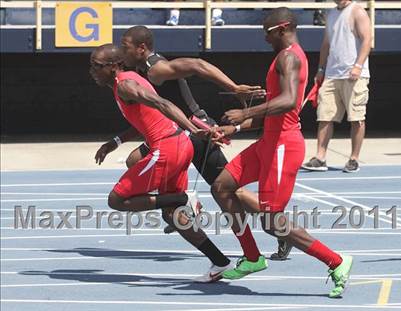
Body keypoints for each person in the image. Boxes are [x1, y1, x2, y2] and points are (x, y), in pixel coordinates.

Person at [113, 25, 293, 260]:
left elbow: (197, 65)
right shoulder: (141, 73)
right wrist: (116, 141)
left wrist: (233, 88)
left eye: (124, 47)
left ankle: (284, 230)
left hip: (195, 133)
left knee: (230, 189)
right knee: (134, 160)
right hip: (176, 134)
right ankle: (184, 202)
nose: (120, 51)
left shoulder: (156, 68)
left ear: (141, 48)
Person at [211, 7, 353, 298]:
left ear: (282, 28)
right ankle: (252, 258)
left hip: (283, 146)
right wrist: (235, 129)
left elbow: (288, 102)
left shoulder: (289, 56)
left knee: (272, 222)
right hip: (269, 142)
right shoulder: (284, 57)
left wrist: (245, 111)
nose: (265, 37)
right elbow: (274, 112)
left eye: (267, 31)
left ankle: (336, 261)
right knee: (222, 187)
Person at [90, 44, 234, 283]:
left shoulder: (126, 85)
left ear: (114, 66)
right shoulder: (126, 81)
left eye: (96, 66)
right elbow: (145, 118)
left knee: (116, 200)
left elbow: (163, 105)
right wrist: (115, 142)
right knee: (172, 215)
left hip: (168, 149)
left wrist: (194, 129)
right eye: (91, 66)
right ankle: (220, 262)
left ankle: (183, 198)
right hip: (177, 145)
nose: (92, 71)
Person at [302, 0, 371, 173]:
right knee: (324, 116)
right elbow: (326, 44)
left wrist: (358, 66)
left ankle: (354, 159)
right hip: (332, 74)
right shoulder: (331, 13)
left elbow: (367, 40)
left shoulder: (358, 11)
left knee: (356, 117)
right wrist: (320, 69)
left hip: (354, 75)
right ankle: (320, 157)